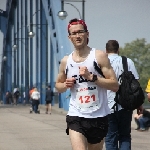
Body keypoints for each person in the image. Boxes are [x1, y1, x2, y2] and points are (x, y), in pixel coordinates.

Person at [55, 18, 119, 150]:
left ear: (87, 34)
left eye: (80, 32)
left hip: (99, 117)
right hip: (76, 116)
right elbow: (58, 86)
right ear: (69, 37)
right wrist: (65, 85)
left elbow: (114, 85)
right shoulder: (66, 61)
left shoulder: (99, 56)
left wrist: (92, 77)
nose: (77, 36)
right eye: (74, 33)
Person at [105, 40, 140, 150]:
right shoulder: (127, 61)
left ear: (106, 50)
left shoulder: (102, 62)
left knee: (110, 137)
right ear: (118, 50)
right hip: (125, 105)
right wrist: (139, 105)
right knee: (124, 136)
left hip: (107, 106)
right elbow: (135, 84)